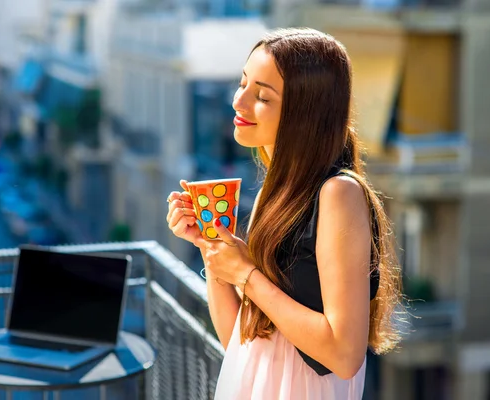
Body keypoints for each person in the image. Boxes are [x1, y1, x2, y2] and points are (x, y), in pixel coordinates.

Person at [166, 27, 403, 400]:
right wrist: (212, 250)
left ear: (303, 112)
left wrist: (245, 274)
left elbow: (344, 355)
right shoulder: (271, 197)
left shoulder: (338, 194)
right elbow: (242, 342)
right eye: (242, 84)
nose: (238, 102)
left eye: (261, 95)